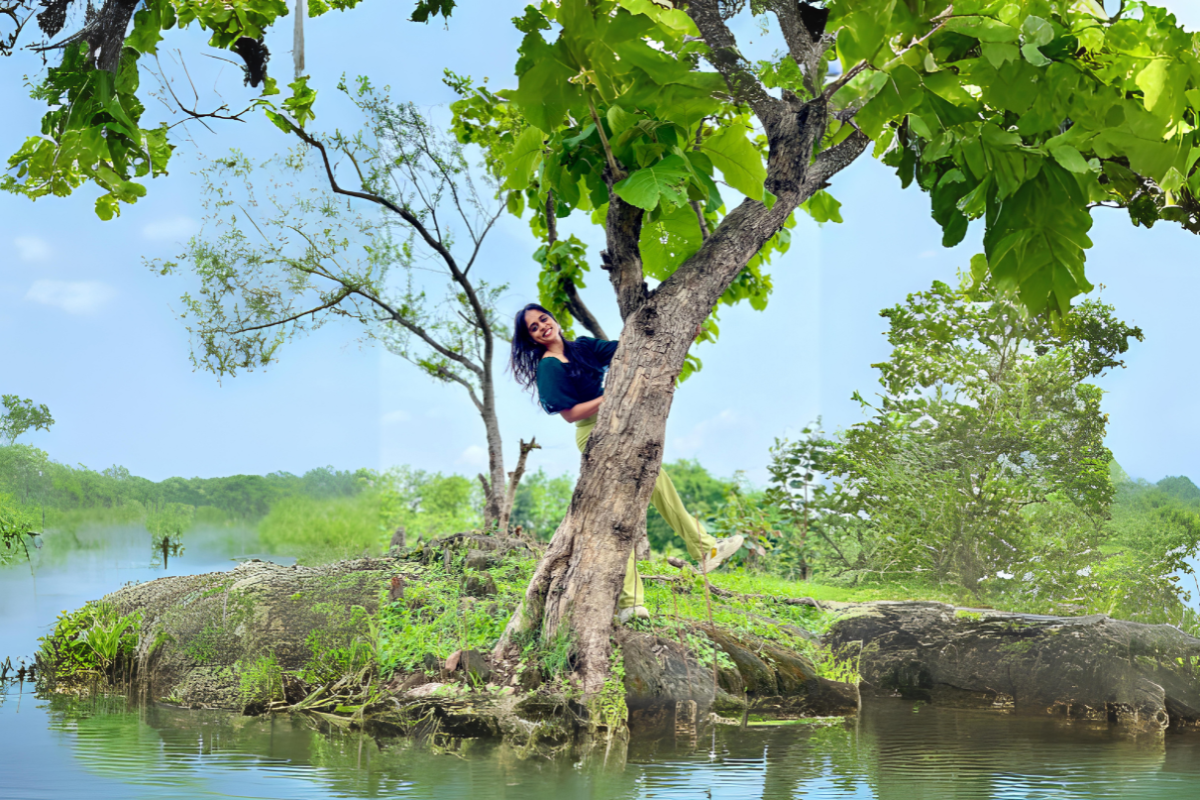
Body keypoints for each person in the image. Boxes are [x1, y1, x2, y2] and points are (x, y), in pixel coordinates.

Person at [510, 303, 744, 624]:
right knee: (617, 511)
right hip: (592, 432)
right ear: (532, 339)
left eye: (543, 319)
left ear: (553, 319)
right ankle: (635, 600)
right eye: (534, 328)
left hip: (618, 421)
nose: (542, 327)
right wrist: (612, 395)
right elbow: (569, 414)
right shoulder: (549, 366)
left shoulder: (582, 346)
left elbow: (630, 348)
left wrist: (681, 335)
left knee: (653, 480)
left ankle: (701, 550)